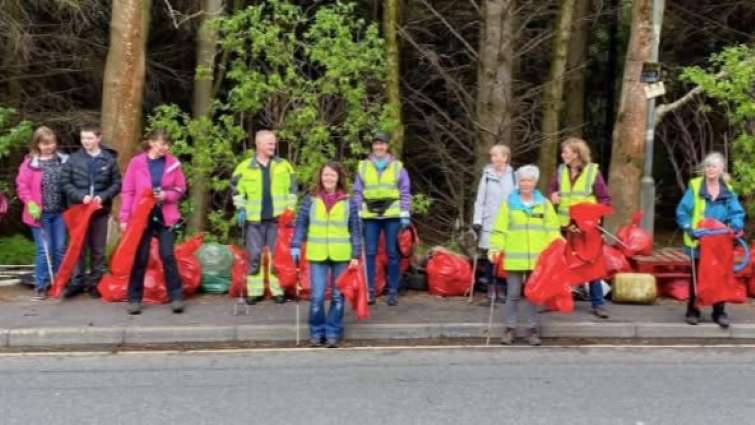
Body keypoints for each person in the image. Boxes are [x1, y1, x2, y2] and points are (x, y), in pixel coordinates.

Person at [290, 162, 361, 348]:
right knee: (317, 297)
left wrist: (355, 254)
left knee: (338, 297)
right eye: (325, 175)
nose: (328, 178)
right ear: (320, 177)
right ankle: (316, 332)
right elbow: (301, 224)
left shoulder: (349, 201)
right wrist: (295, 244)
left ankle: (332, 332)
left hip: (341, 255)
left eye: (332, 175)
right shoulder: (310, 199)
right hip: (317, 253)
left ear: (338, 178)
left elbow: (355, 230)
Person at [489, 165, 561, 346]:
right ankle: (509, 329)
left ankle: (532, 330)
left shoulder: (544, 204)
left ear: (535, 182)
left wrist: (558, 244)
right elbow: (500, 229)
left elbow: (552, 228)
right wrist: (495, 248)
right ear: (518, 182)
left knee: (533, 295)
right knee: (513, 294)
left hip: (538, 259)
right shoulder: (508, 203)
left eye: (529, 180)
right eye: (522, 180)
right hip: (514, 257)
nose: (525, 184)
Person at [119, 130, 187, 314]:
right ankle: (134, 299)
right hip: (141, 216)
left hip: (166, 215)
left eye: (166, 144)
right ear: (150, 143)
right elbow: (128, 191)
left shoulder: (173, 163)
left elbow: (180, 188)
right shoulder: (137, 162)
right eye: (160, 143)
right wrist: (124, 217)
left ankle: (176, 297)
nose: (163, 147)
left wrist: (166, 195)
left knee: (168, 256)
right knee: (140, 258)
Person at [676, 152, 745, 328]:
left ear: (721, 169)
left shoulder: (727, 190)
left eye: (714, 166)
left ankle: (719, 312)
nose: (710, 169)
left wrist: (735, 226)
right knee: (697, 276)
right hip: (698, 241)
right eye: (707, 166)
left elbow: (737, 212)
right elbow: (682, 211)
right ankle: (693, 310)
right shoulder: (695, 186)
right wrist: (688, 228)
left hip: (720, 241)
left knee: (720, 276)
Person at [547, 137, 611, 318]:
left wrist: (593, 219)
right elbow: (551, 189)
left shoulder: (593, 172)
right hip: (565, 226)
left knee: (592, 264)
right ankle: (560, 299)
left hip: (587, 229)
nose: (563, 155)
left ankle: (598, 304)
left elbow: (604, 199)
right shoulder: (560, 171)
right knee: (562, 263)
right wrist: (553, 195)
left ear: (576, 153)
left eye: (566, 152)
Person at [231, 130, 297, 305]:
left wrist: (290, 210)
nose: (273, 146)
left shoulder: (284, 165)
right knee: (254, 256)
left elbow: (292, 190)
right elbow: (236, 190)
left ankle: (277, 291)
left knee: (277, 257)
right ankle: (255, 291)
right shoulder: (244, 167)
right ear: (258, 144)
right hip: (254, 221)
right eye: (269, 143)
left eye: (274, 143)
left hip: (277, 220)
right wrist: (240, 209)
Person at [61, 125, 121, 298]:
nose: (86, 142)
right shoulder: (73, 159)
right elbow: (65, 183)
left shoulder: (108, 159)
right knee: (77, 246)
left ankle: (95, 283)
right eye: (83, 138)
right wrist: (81, 196)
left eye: (89, 138)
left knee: (98, 248)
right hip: (79, 209)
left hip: (100, 211)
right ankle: (76, 282)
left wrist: (102, 197)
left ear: (98, 138)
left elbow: (117, 183)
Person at [352, 131, 411, 306]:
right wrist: (357, 209)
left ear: (387, 146)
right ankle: (370, 291)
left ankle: (393, 291)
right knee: (370, 253)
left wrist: (405, 212)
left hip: (392, 215)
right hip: (370, 215)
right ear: (372, 146)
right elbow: (357, 191)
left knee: (392, 254)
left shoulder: (397, 167)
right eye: (376, 144)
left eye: (382, 144)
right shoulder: (363, 166)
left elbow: (405, 190)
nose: (379, 147)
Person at [15, 126, 69, 300]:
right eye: (44, 144)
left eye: (51, 143)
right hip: (40, 214)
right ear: (37, 144)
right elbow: (22, 186)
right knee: (44, 249)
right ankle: (41, 285)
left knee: (60, 249)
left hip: (59, 211)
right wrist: (30, 203)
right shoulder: (30, 163)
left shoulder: (62, 160)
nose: (48, 147)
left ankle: (60, 282)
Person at [472, 144, 516, 305]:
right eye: (493, 156)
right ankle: (491, 287)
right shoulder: (487, 175)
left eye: (499, 156)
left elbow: (516, 200)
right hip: (490, 221)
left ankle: (503, 287)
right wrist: (477, 221)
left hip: (508, 223)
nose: (496, 159)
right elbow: (480, 200)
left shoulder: (514, 176)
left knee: (505, 257)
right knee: (492, 257)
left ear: (506, 157)